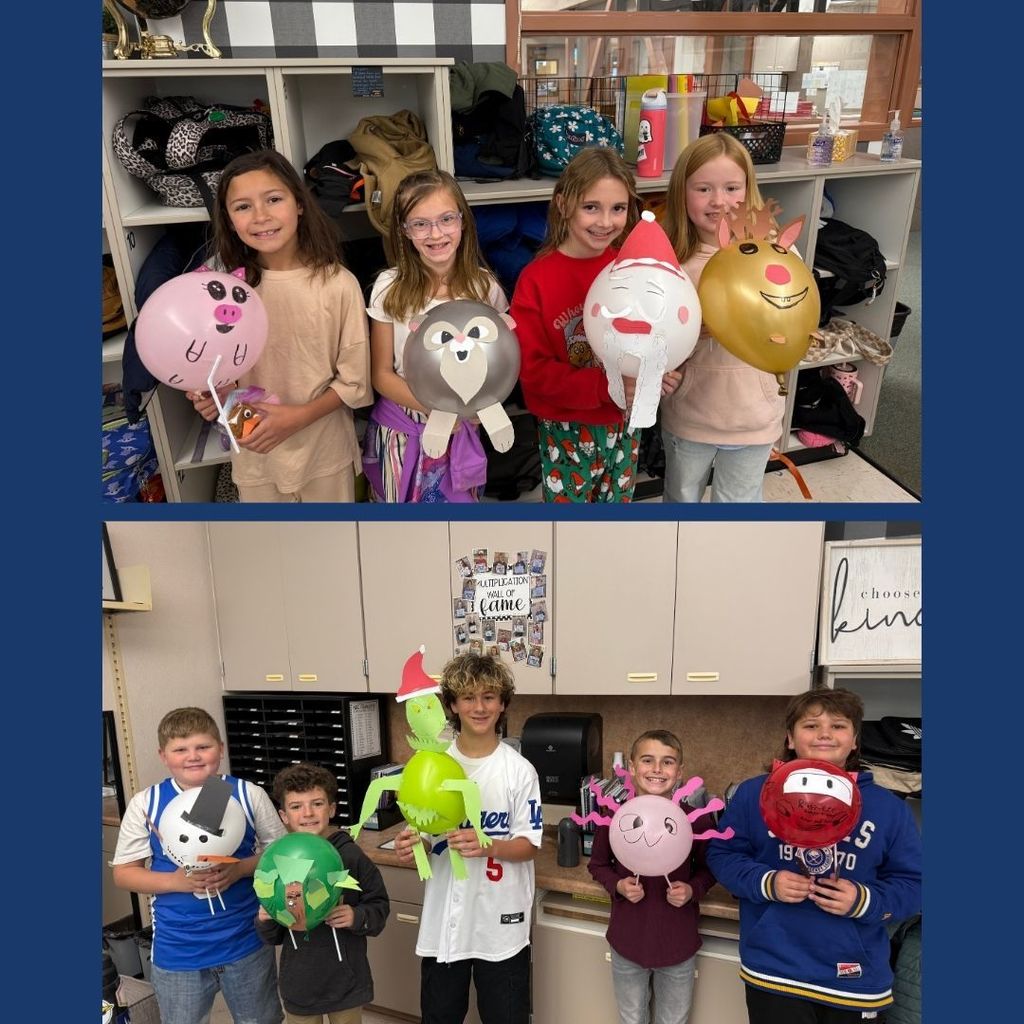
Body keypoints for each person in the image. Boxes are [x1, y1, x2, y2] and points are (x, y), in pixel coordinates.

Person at [706, 688, 922, 1023]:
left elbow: (914, 884)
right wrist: (766, 882)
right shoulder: (754, 794)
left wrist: (865, 900)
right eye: (811, 725)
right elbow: (722, 853)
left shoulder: (889, 808)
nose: (824, 733)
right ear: (790, 738)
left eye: (838, 726)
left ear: (854, 741)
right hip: (775, 972)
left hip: (855, 979)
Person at [188, 149, 371, 502]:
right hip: (255, 453)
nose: (261, 216)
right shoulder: (221, 288)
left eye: (273, 199)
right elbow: (212, 371)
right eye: (242, 206)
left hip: (325, 453)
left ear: (299, 204)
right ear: (228, 219)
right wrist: (212, 397)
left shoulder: (338, 284)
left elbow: (355, 383)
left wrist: (297, 418)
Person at [510, 147, 681, 502]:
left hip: (625, 424)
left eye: (618, 208)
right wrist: (606, 387)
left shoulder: (632, 270)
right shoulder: (536, 280)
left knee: (615, 518)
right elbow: (533, 373)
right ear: (563, 204)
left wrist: (660, 372)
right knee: (568, 526)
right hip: (566, 427)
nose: (606, 222)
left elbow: (658, 332)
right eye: (591, 207)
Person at [393, 653, 543, 1024]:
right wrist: (414, 846)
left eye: (489, 697)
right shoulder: (431, 763)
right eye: (469, 697)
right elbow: (426, 835)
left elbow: (529, 844)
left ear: (503, 703)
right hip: (446, 920)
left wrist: (487, 845)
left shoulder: (519, 771)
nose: (479, 707)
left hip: (500, 922)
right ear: (452, 705)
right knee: (439, 1016)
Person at [111, 707, 286, 1024]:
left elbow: (282, 854)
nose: (192, 756)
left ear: (221, 748)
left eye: (203, 747)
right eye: (180, 749)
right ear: (163, 756)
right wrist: (176, 882)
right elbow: (123, 873)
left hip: (245, 941)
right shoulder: (146, 804)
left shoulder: (248, 795)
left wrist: (240, 869)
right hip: (179, 949)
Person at [362, 169, 508, 502]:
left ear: (463, 221)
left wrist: (468, 411)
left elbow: (498, 364)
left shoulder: (485, 288)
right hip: (402, 427)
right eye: (420, 224)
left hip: (464, 427)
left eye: (446, 219)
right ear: (404, 231)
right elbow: (381, 373)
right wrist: (438, 410)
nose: (435, 233)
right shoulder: (389, 287)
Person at [660, 133, 785, 502]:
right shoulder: (670, 262)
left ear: (750, 190)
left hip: (754, 415)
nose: (719, 201)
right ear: (682, 193)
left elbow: (792, 321)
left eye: (732, 188)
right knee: (681, 500)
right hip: (690, 415)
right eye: (703, 189)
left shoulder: (774, 256)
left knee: (740, 507)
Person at [587, 730, 717, 1024]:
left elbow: (709, 871)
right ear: (631, 767)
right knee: (631, 1018)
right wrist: (618, 885)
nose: (657, 770)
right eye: (647, 760)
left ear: (680, 771)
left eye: (668, 762)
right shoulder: (614, 816)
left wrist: (692, 889)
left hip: (678, 945)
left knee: (674, 1020)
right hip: (627, 942)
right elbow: (598, 865)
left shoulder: (695, 820)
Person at [256, 762, 390, 1024]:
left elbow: (380, 907)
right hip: (299, 986)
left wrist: (356, 916)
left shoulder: (351, 855)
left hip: (347, 983)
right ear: (284, 816)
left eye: (317, 804)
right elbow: (273, 936)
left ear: (331, 809)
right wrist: (266, 918)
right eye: (296, 806)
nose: (307, 813)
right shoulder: (278, 860)